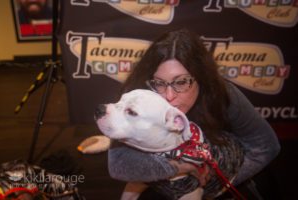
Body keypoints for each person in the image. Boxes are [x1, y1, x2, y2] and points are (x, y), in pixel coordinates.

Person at [107, 29, 280, 199]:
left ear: (202, 77)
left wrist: (219, 183)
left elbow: (266, 146)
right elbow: (118, 163)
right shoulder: (138, 96)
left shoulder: (223, 93)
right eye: (159, 83)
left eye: (181, 82)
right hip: (164, 183)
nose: (169, 96)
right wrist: (180, 166)